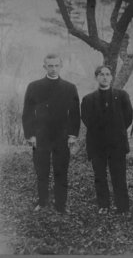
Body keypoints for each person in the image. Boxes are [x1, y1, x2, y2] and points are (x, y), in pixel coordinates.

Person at [22, 53, 80, 213]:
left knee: (61, 170)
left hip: (61, 136)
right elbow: (27, 113)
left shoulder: (69, 87)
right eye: (50, 65)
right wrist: (30, 135)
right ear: (44, 67)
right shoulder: (34, 86)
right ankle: (42, 201)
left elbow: (75, 113)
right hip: (41, 136)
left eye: (56, 65)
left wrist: (72, 135)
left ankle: (61, 204)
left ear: (61, 66)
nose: (53, 69)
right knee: (42, 170)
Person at [81, 65, 133, 214]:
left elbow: (128, 117)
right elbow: (87, 119)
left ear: (111, 77)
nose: (105, 77)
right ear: (96, 77)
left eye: (107, 74)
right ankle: (103, 205)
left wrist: (117, 131)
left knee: (119, 175)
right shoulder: (88, 99)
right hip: (97, 144)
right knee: (100, 176)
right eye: (101, 74)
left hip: (117, 143)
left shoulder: (122, 96)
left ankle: (122, 206)